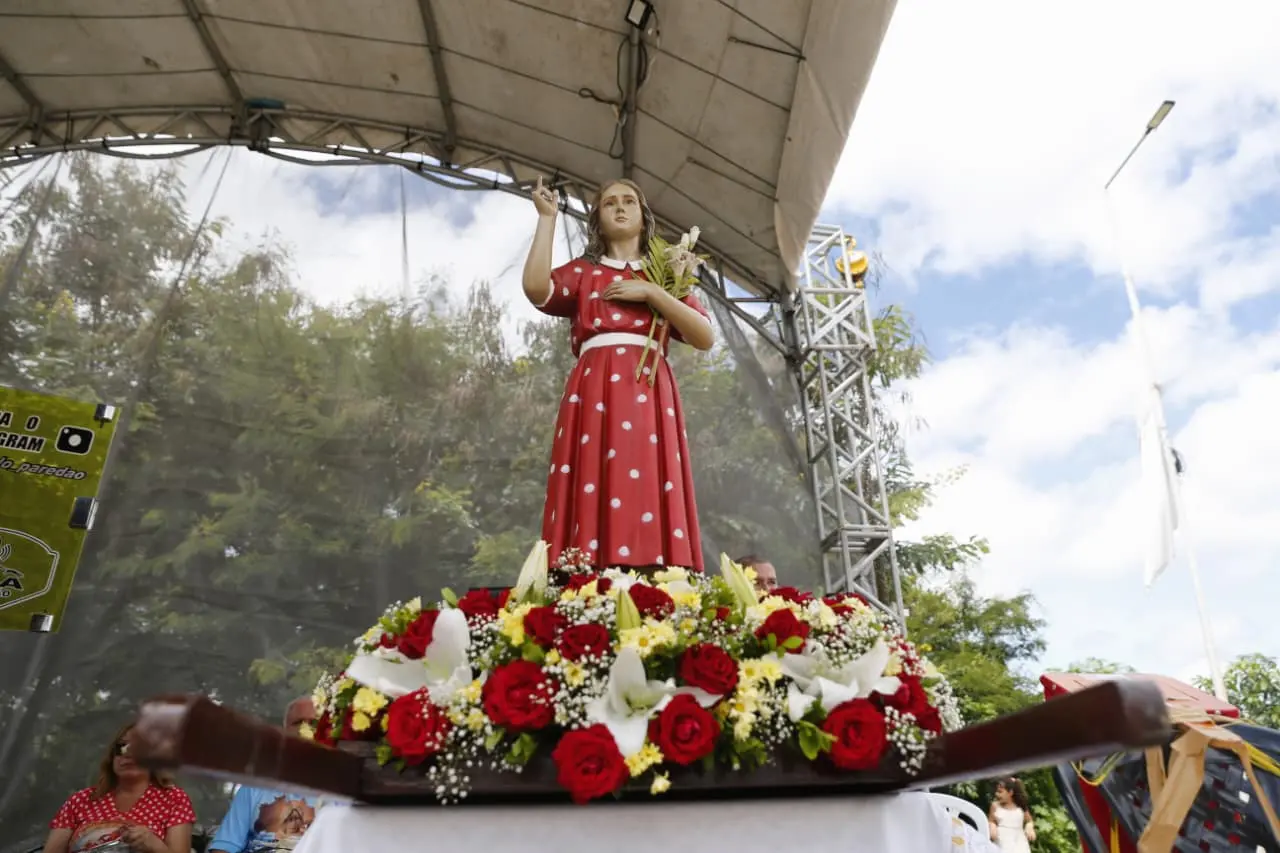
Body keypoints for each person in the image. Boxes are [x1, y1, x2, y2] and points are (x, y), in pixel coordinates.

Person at [523, 176, 714, 572]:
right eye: (610, 203)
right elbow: (537, 289)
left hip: (647, 386)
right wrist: (547, 220)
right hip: (594, 387)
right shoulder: (586, 271)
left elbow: (704, 335)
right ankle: (585, 568)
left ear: (644, 217)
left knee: (644, 473)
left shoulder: (665, 274)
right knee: (593, 470)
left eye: (629, 201)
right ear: (597, 219)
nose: (620, 208)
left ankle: (654, 566)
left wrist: (652, 294)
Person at [43, 722, 195, 853]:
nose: (127, 754)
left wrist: (155, 845)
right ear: (112, 758)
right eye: (121, 747)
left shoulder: (174, 799)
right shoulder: (80, 800)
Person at [207, 697, 321, 853]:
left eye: (313, 723)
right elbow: (224, 847)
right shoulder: (254, 787)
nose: (304, 730)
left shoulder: (342, 794)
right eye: (297, 723)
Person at [988, 776, 1036, 852]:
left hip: (1019, 843)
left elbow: (1029, 821)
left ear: (1010, 793)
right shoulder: (995, 806)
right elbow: (991, 820)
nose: (997, 794)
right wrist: (992, 826)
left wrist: (1029, 827)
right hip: (1001, 843)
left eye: (1000, 792)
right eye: (996, 791)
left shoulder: (1020, 806)